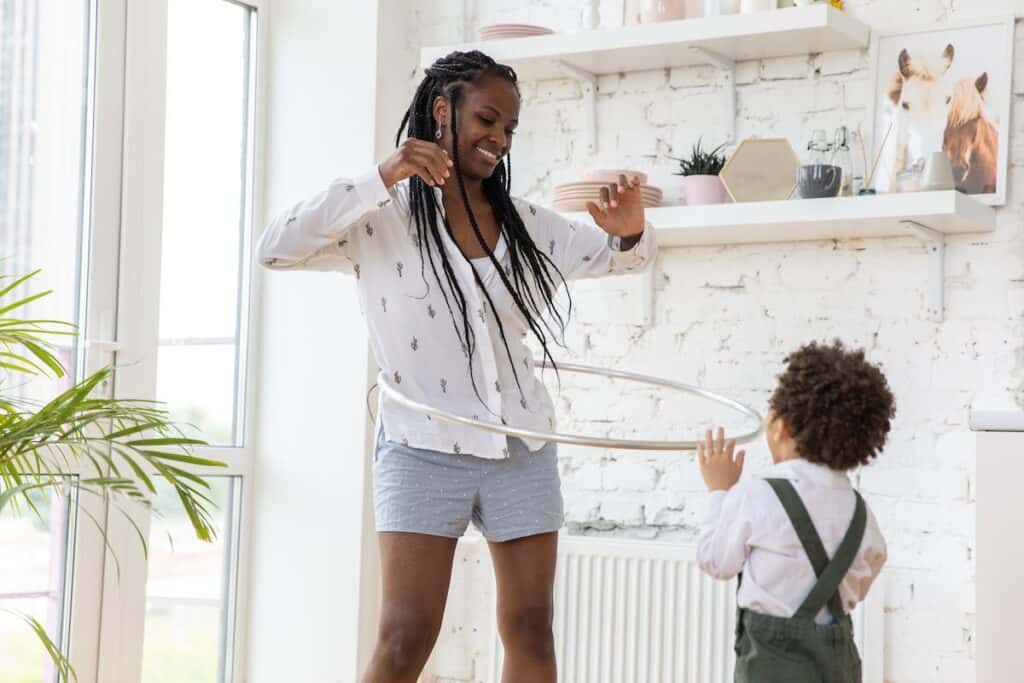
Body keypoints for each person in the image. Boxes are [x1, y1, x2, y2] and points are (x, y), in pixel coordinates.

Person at [256, 50, 656, 683]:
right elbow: (275, 249)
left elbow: (620, 257)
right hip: (422, 447)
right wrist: (381, 175)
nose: (498, 139)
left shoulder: (525, 224)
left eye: (508, 129)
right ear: (443, 111)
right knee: (404, 637)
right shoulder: (378, 221)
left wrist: (630, 231)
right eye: (488, 120)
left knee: (530, 628)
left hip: (520, 444)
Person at [696, 340, 893, 682]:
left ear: (781, 427)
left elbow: (716, 562)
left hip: (769, 667)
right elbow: (868, 569)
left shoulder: (755, 495)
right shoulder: (859, 511)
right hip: (837, 665)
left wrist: (718, 491)